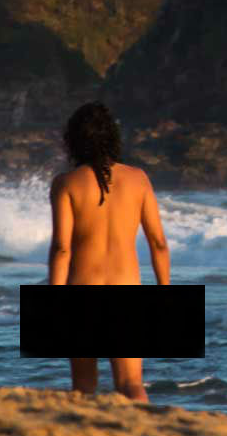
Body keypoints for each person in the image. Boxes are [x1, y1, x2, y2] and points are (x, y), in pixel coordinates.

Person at [48, 102, 169, 401]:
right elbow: (158, 243)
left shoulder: (66, 183)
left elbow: (62, 248)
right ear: (113, 138)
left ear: (74, 140)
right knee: (131, 384)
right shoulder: (139, 178)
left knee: (84, 387)